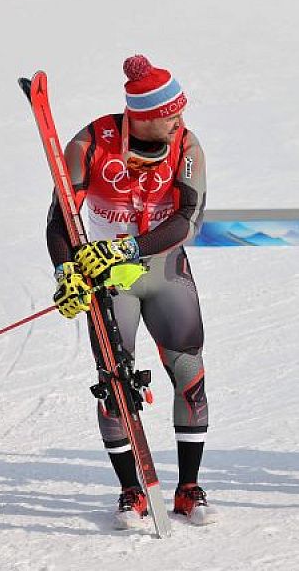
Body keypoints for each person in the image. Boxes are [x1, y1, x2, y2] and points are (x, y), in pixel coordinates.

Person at [47, 54, 214, 526]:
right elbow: (59, 220)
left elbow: (189, 220)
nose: (180, 120)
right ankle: (129, 491)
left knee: (190, 374)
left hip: (164, 270)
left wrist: (130, 247)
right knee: (113, 384)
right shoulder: (89, 143)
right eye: (171, 114)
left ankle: (189, 488)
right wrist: (66, 272)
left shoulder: (187, 145)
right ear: (143, 115)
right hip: (107, 279)